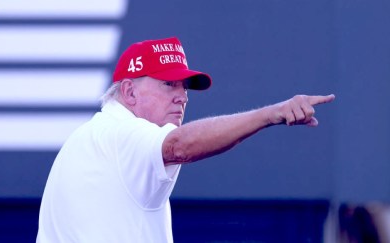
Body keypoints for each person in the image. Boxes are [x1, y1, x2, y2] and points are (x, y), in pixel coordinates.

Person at [36, 37, 335, 242]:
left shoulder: (92, 136)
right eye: (168, 84)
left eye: (185, 87)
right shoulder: (119, 133)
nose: (181, 96)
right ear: (129, 92)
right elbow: (179, 145)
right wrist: (271, 114)